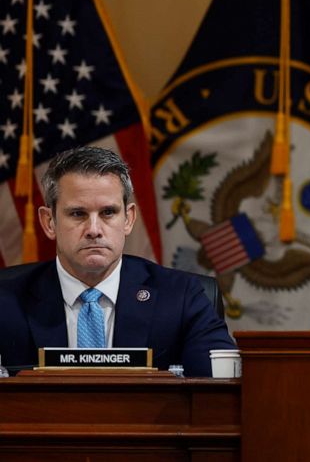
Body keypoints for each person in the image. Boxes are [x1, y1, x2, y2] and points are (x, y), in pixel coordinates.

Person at [0, 146, 235, 376]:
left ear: (129, 219)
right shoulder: (5, 302)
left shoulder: (181, 297)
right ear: (49, 222)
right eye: (77, 214)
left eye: (108, 212)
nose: (94, 230)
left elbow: (220, 395)